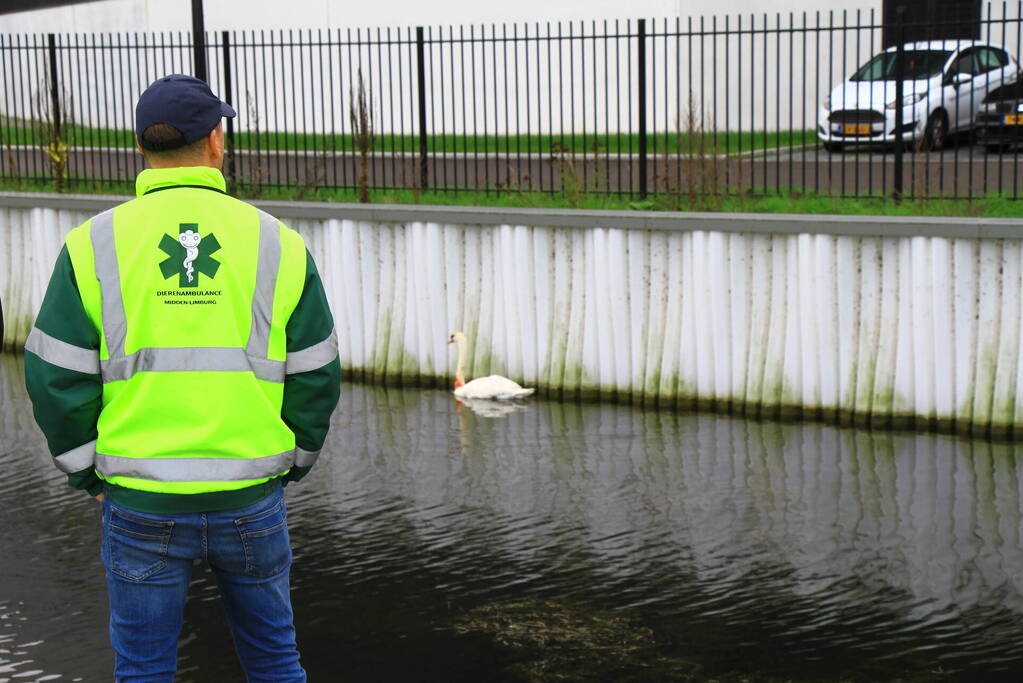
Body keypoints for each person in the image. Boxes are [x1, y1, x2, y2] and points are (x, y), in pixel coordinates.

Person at [23, 74, 340, 682]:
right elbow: (316, 373)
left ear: (143, 146)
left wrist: (86, 470)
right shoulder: (279, 243)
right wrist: (294, 461)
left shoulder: (93, 245)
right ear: (216, 140)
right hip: (251, 495)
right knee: (275, 659)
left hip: (140, 498)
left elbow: (53, 376)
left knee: (143, 668)